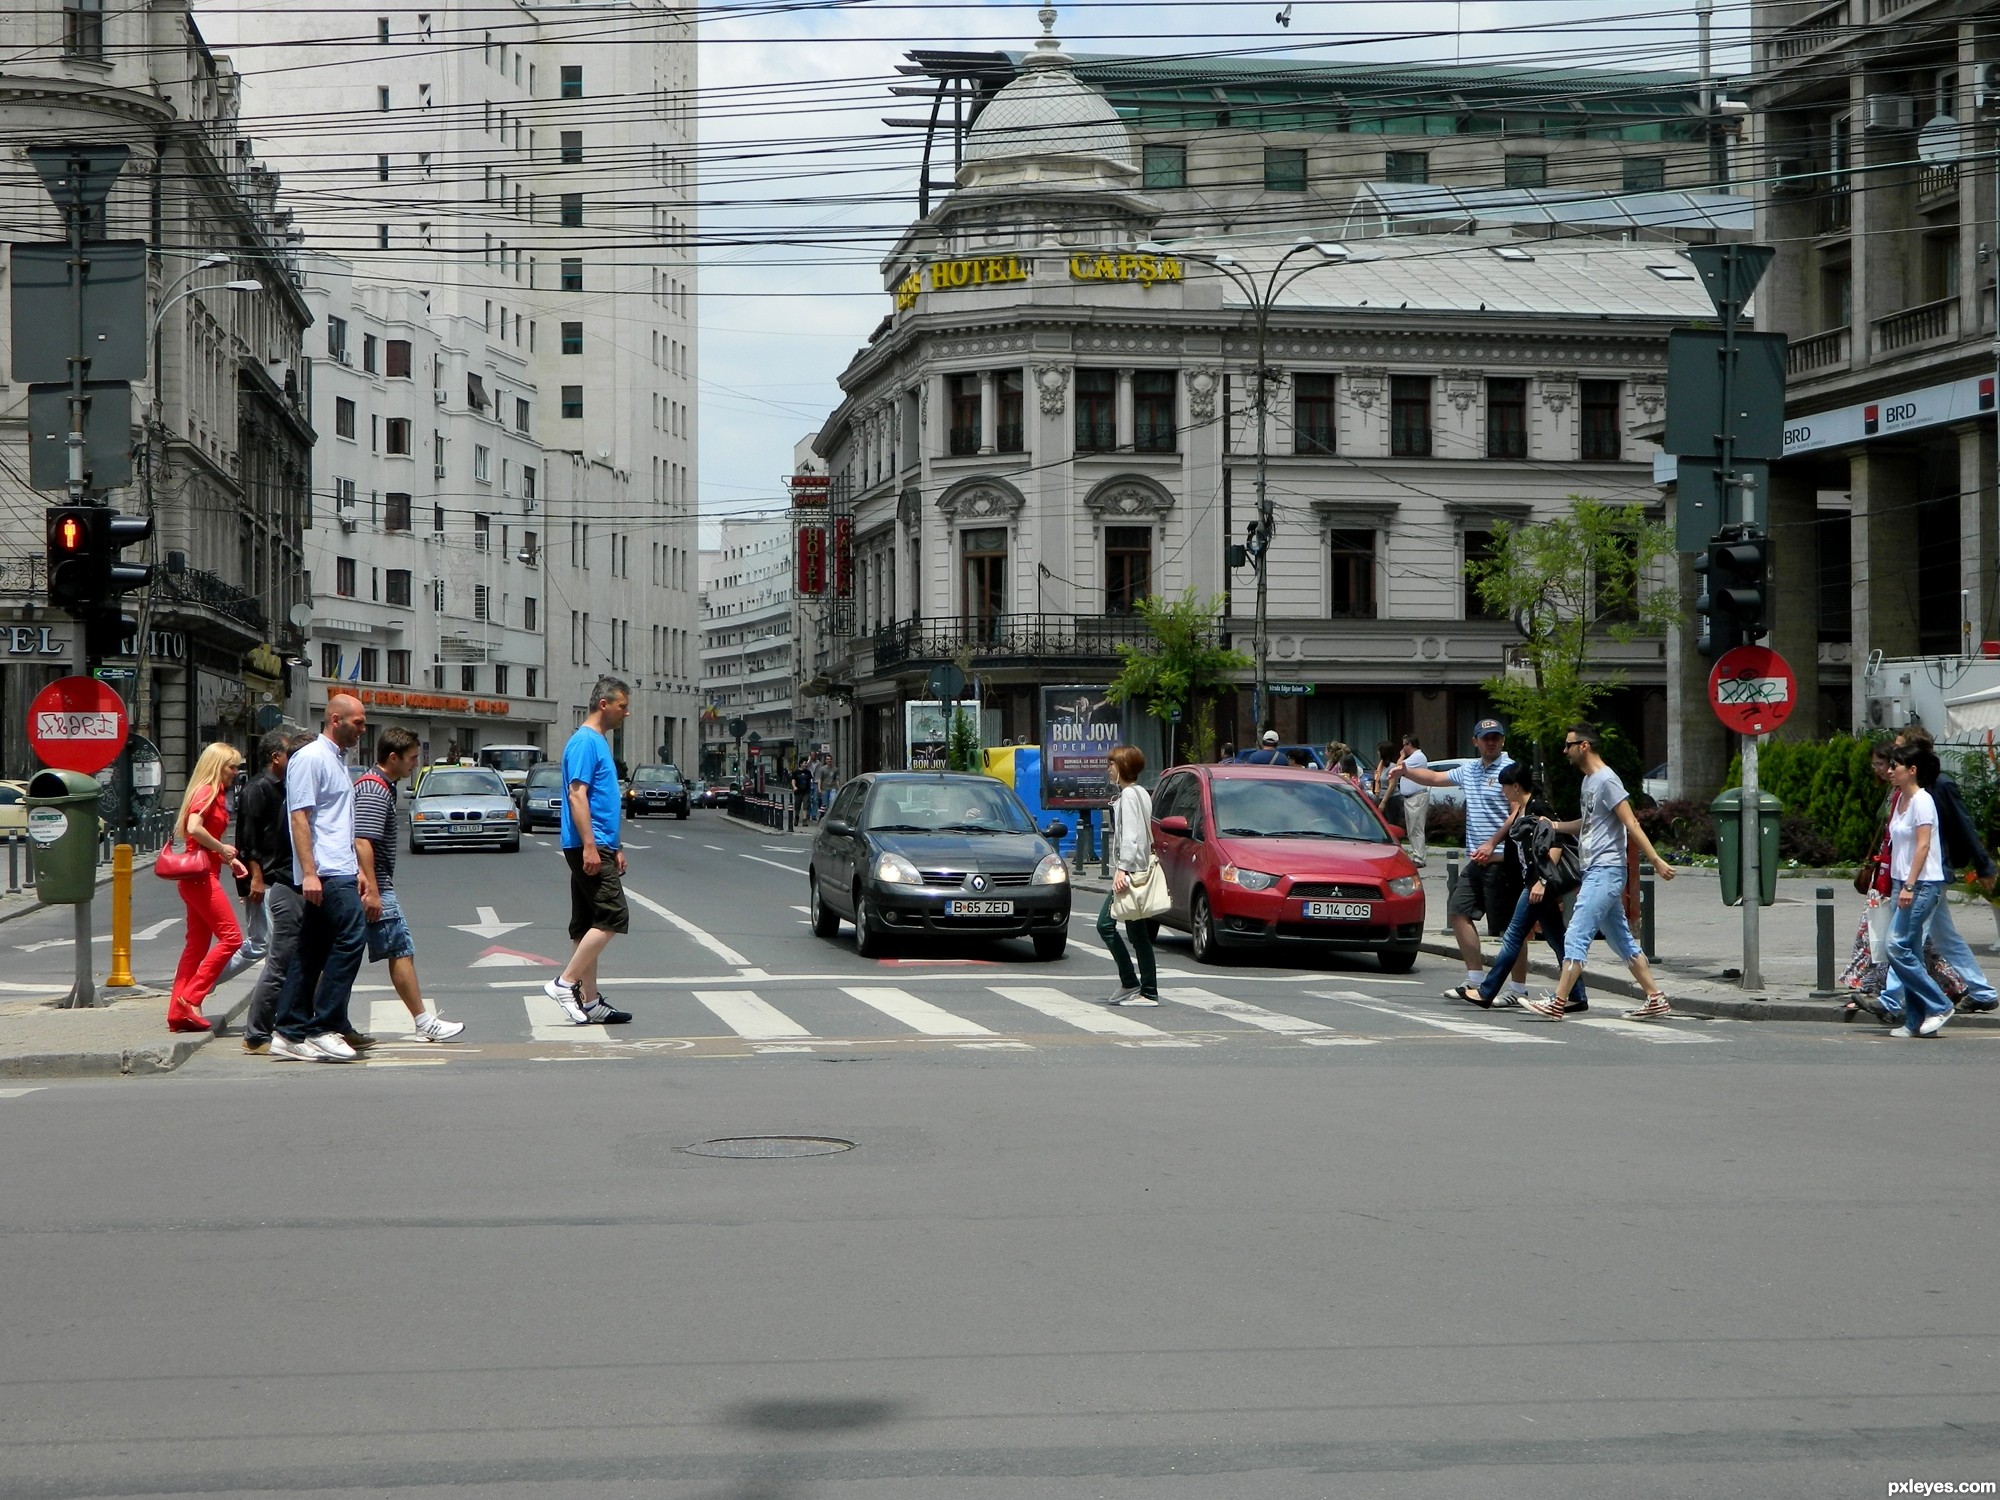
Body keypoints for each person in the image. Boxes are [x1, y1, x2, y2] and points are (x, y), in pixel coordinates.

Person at [1521, 723, 1678, 1021]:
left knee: (1576, 935)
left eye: (1568, 745)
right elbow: (1589, 823)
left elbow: (1631, 823)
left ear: (1584, 746)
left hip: (1606, 870)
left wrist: (1655, 859)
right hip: (1595, 870)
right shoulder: (1589, 782)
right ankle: (1656, 998)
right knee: (1621, 940)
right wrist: (1554, 826)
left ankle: (1558, 1002)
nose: (1564, 751)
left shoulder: (1607, 780)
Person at [272, 694, 371, 1064]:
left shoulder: (335, 759)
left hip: (339, 866)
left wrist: (357, 867)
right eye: (357, 723)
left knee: (310, 949)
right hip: (326, 871)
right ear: (335, 719)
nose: (362, 729)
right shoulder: (311, 758)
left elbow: (337, 821)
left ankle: (289, 1029)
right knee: (351, 936)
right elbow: (300, 817)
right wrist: (310, 873)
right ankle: (323, 1025)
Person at [354, 727, 467, 1043]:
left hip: (370, 883)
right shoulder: (375, 789)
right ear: (393, 757)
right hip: (373, 886)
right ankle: (423, 1022)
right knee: (400, 948)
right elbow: (363, 841)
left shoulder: (379, 786)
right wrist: (374, 890)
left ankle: (327, 1022)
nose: (415, 764)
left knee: (344, 956)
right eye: (412, 758)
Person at [1396, 719, 1523, 995]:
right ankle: (1475, 979)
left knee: (1510, 929)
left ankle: (1518, 989)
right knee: (1458, 912)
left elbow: (1518, 812)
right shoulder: (1470, 769)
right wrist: (1406, 771)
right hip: (1476, 861)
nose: (1491, 742)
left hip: (1502, 861)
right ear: (1475, 741)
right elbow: (1435, 778)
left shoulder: (1510, 769)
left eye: (1496, 738)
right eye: (1486, 738)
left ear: (1502, 741)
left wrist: (1492, 843)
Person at [1447, 763, 1584, 1011]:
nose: (1503, 791)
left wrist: (1542, 880)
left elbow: (1556, 843)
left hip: (1538, 884)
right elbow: (1519, 853)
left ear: (1516, 786)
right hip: (1532, 883)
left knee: (1512, 936)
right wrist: (1493, 857)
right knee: (1558, 940)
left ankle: (1486, 991)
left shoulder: (1537, 808)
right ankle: (1577, 995)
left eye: (1505, 786)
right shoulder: (1521, 810)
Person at [545, 675, 635, 1025]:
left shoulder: (597, 741)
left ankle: (591, 1000)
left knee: (586, 924)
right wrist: (591, 847)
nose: (626, 713)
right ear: (604, 704)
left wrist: (616, 846)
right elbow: (577, 795)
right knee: (614, 916)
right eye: (622, 706)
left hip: (598, 843)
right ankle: (565, 983)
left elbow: (601, 800)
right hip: (588, 845)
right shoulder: (585, 742)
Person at [1892, 727, 1998, 1012]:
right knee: (1943, 937)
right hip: (1919, 874)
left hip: (1930, 874)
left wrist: (1984, 866)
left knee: (1903, 939)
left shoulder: (1939, 787)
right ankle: (1983, 991)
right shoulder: (1906, 790)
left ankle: (1891, 1000)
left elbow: (1964, 826)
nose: (1894, 757)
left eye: (1899, 750)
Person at [165, 742, 250, 1033]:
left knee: (197, 945)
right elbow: (194, 828)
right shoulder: (208, 791)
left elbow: (200, 838)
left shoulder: (213, 792)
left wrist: (229, 861)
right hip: (200, 879)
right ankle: (191, 997)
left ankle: (178, 1010)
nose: (236, 772)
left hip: (199, 876)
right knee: (232, 938)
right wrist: (223, 849)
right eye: (232, 766)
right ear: (218, 767)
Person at [237, 730, 310, 1054]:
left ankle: (289, 1021)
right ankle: (257, 1032)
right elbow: (248, 839)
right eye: (288, 754)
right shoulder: (258, 789)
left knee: (287, 954)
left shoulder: (287, 788)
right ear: (275, 758)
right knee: (272, 953)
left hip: (284, 878)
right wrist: (255, 878)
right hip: (269, 880)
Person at [1878, 745, 1957, 1037]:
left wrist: (1909, 885)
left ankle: (1940, 1004)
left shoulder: (1923, 801)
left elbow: (1923, 846)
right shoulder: (1898, 798)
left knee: (1895, 945)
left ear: (1912, 770)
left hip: (1922, 883)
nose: (1889, 771)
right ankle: (1915, 1022)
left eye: (1895, 766)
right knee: (1909, 950)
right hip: (1902, 882)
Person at [1098, 743, 1160, 1007]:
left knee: (1105, 925)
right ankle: (1145, 988)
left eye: (1111, 764)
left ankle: (1133, 983)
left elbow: (1132, 838)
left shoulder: (1130, 797)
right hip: (1138, 869)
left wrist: (1121, 869)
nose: (1109, 768)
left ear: (1122, 766)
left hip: (1131, 873)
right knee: (1138, 934)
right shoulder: (1141, 794)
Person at [1394, 732, 1431, 866]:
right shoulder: (1414, 758)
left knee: (1416, 828)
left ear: (1410, 744)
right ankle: (1416, 855)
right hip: (1410, 798)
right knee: (1411, 829)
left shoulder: (1418, 757)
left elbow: (1398, 767)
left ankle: (1419, 857)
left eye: (1404, 745)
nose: (1403, 748)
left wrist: (1402, 756)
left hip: (1417, 797)